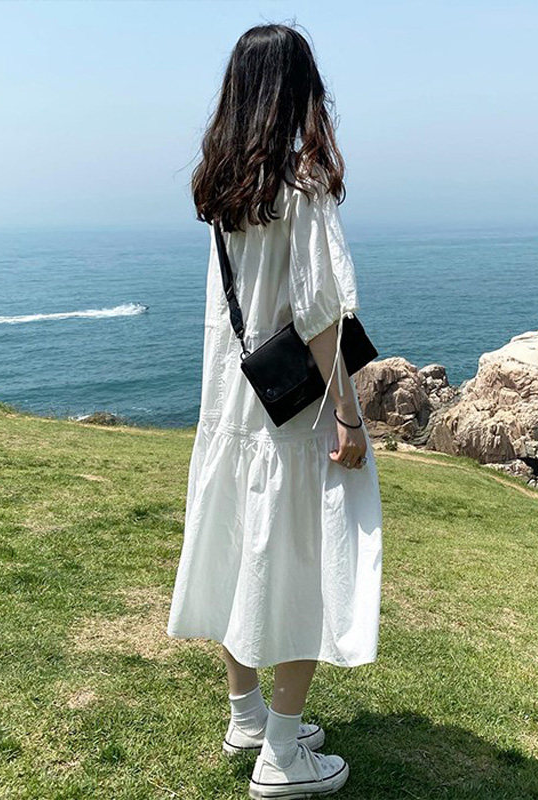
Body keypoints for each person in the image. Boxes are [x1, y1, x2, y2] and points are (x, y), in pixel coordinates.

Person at [166, 22, 383, 799]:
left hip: (232, 407)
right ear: (298, 91)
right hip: (293, 418)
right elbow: (321, 313)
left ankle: (249, 717)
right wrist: (348, 416)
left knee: (241, 553)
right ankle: (283, 757)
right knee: (301, 568)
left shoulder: (224, 187)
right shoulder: (301, 184)